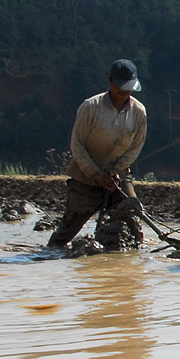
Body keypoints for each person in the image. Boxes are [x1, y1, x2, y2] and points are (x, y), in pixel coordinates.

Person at [48, 59, 147, 247]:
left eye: (129, 90)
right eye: (121, 89)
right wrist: (97, 174)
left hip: (118, 176)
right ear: (110, 81)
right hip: (85, 178)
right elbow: (77, 145)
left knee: (132, 215)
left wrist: (115, 171)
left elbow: (135, 147)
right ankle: (48, 256)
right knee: (65, 233)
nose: (125, 94)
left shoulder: (139, 112)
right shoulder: (91, 106)